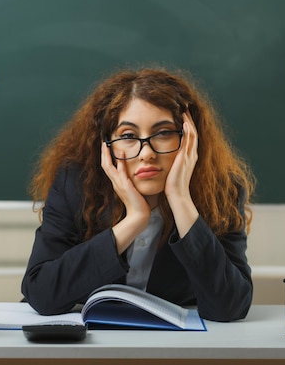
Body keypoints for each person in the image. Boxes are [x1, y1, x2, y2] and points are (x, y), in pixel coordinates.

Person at [21, 67, 255, 322]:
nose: (146, 154)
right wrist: (133, 220)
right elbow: (41, 293)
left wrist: (180, 198)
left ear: (190, 138)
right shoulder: (74, 185)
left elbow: (230, 307)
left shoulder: (223, 191)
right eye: (128, 136)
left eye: (164, 133)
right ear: (106, 145)